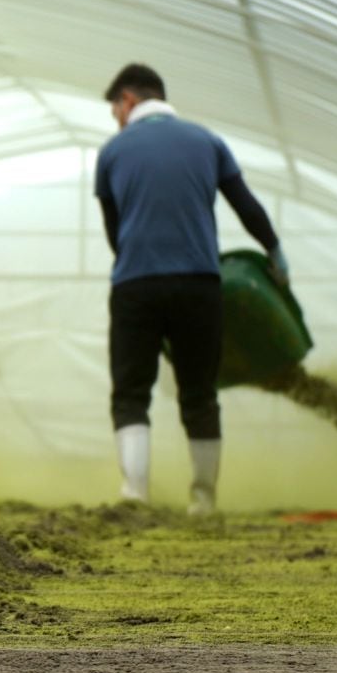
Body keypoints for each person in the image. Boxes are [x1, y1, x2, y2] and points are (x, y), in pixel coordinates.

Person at [94, 63, 288, 515]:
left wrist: (140, 264)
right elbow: (246, 206)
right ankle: (203, 499)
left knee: (131, 393)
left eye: (114, 110)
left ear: (126, 101)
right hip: (199, 285)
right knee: (199, 393)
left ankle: (135, 495)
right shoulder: (207, 142)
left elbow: (114, 234)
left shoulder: (112, 152)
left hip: (136, 285)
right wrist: (274, 251)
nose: (115, 119)